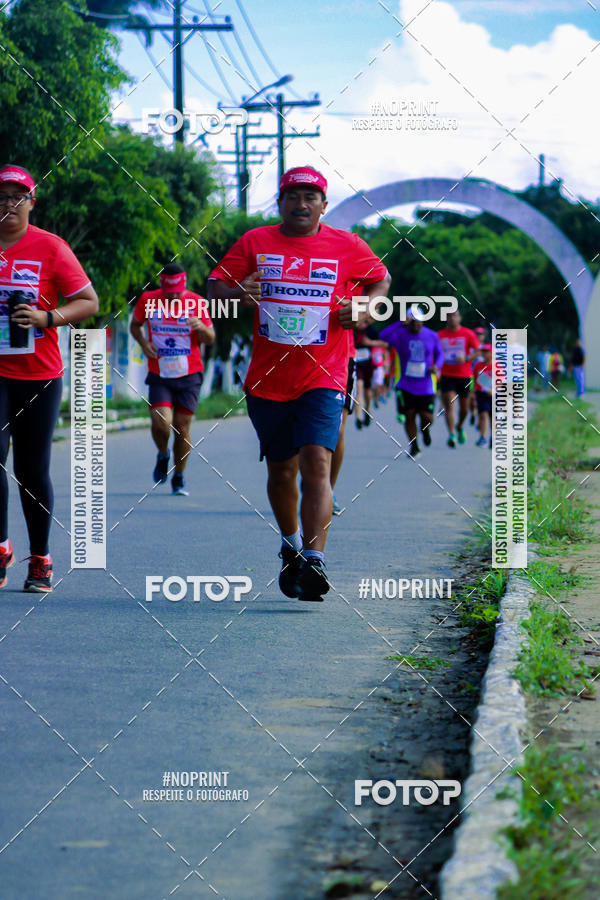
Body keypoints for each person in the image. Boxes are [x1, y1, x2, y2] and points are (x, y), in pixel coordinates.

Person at [207, 166, 390, 602]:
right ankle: (290, 546)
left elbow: (381, 279)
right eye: (293, 196)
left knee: (316, 463)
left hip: (325, 373)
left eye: (311, 196)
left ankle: (315, 559)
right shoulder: (255, 242)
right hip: (268, 379)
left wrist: (366, 308)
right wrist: (239, 294)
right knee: (282, 471)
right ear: (280, 203)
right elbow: (215, 288)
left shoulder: (346, 245)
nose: (302, 203)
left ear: (324, 205)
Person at [0, 164, 98, 591]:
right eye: (1, 197)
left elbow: (88, 301)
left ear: (31, 203)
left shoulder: (50, 247)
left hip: (39, 374)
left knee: (32, 470)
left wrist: (46, 316)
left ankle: (39, 558)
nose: (8, 204)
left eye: (17, 197)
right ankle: (1, 548)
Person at [130, 263, 214, 496]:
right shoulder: (148, 300)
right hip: (160, 373)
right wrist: (143, 342)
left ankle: (179, 475)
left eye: (178, 293)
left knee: (182, 427)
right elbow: (135, 325)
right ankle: (163, 453)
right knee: (161, 423)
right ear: (162, 287)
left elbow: (211, 337)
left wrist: (201, 328)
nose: (174, 297)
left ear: (184, 287)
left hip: (190, 374)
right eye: (169, 294)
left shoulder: (196, 302)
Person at [380, 309, 444, 458]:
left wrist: (437, 366)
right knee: (409, 415)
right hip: (406, 384)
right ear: (409, 322)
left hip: (426, 385)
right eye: (413, 321)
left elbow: (439, 353)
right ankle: (414, 445)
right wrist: (399, 323)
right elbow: (383, 336)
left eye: (419, 321)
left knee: (427, 417)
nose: (417, 325)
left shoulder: (431, 335)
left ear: (423, 321)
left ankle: (425, 430)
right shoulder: (400, 335)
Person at [438, 310, 480, 448]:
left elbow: (479, 350)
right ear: (446, 318)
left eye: (455, 315)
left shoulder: (468, 333)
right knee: (448, 405)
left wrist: (467, 358)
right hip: (447, 374)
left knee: (465, 409)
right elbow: (434, 351)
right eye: (449, 316)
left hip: (464, 375)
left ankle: (460, 426)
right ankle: (451, 434)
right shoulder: (440, 335)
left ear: (460, 318)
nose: (452, 318)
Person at [473, 344, 493, 448]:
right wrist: (473, 393)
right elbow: (475, 379)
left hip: (494, 395)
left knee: (492, 417)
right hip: (481, 394)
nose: (485, 354)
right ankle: (482, 437)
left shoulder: (497, 365)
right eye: (483, 351)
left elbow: (501, 381)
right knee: (483, 415)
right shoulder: (478, 365)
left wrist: (493, 390)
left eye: (487, 351)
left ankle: (493, 437)